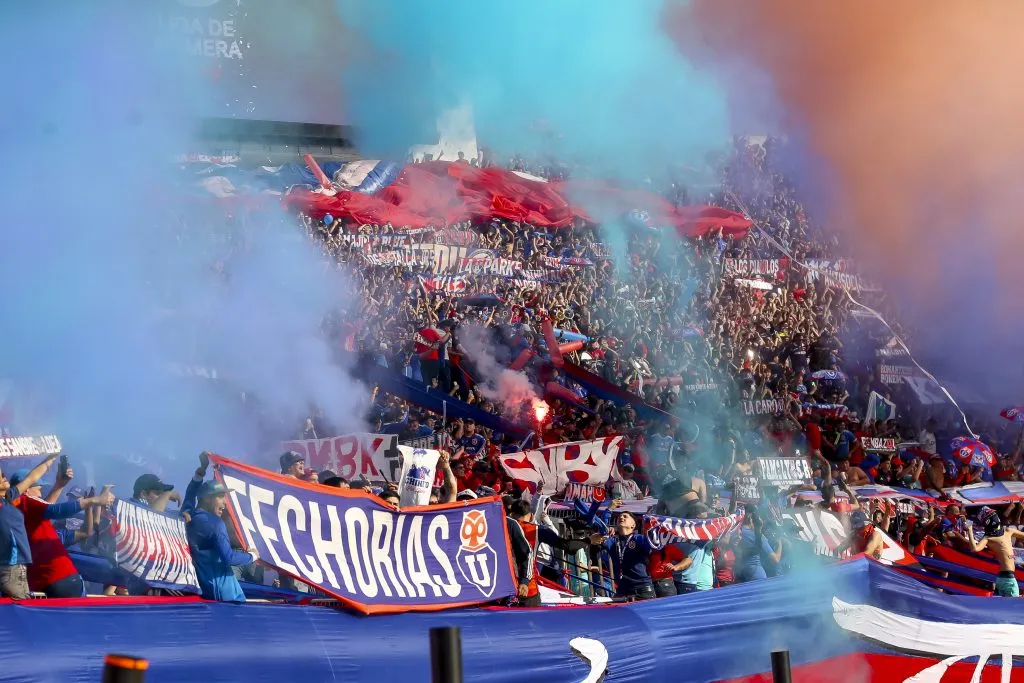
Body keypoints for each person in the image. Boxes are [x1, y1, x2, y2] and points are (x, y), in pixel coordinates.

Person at [8, 458, 115, 597]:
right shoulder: (22, 502)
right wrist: (95, 500)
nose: (41, 494)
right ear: (27, 489)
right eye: (39, 490)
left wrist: (60, 485)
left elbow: (84, 532)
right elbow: (54, 510)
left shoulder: (28, 517)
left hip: (47, 583)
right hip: (59, 579)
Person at [186, 480, 258, 603]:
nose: (225, 502)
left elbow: (189, 497)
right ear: (207, 498)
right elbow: (229, 557)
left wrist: (199, 474)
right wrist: (252, 556)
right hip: (227, 595)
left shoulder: (189, 517)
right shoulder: (216, 523)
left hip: (206, 591)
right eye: (220, 497)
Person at [592, 512, 656, 600]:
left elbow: (654, 541)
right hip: (622, 591)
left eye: (625, 516)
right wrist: (609, 510)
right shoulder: (613, 542)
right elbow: (602, 527)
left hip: (642, 590)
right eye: (619, 517)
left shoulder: (639, 539)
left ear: (633, 525)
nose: (621, 517)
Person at [966, 507, 1024, 598]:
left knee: (1003, 607)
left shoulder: (1008, 531)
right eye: (992, 516)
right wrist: (969, 530)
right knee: (1013, 606)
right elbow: (975, 549)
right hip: (1008, 578)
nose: (995, 517)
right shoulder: (988, 538)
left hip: (1004, 577)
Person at [506, 499, 541, 606]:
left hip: (521, 588)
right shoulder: (537, 529)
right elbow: (566, 545)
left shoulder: (511, 524)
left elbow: (527, 554)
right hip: (527, 589)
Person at [735, 510, 782, 582]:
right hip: (757, 575)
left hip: (742, 574)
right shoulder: (759, 537)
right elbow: (776, 559)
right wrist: (780, 544)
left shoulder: (741, 533)